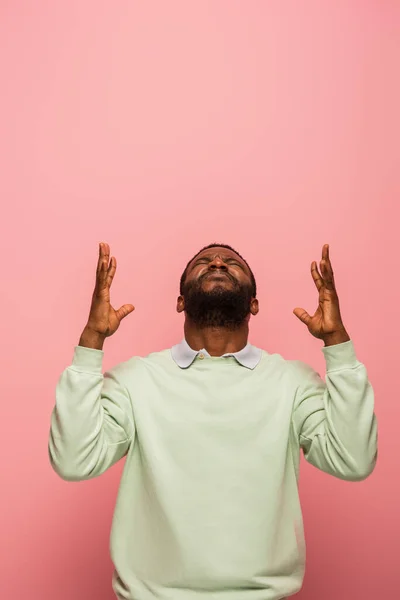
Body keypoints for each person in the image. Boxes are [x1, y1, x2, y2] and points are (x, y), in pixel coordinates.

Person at [48, 241, 378, 600]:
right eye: (203, 262)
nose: (218, 261)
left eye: (231, 263)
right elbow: (73, 461)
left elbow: (354, 460)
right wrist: (91, 340)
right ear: (180, 302)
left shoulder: (292, 381)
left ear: (254, 303)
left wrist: (337, 343)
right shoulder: (136, 380)